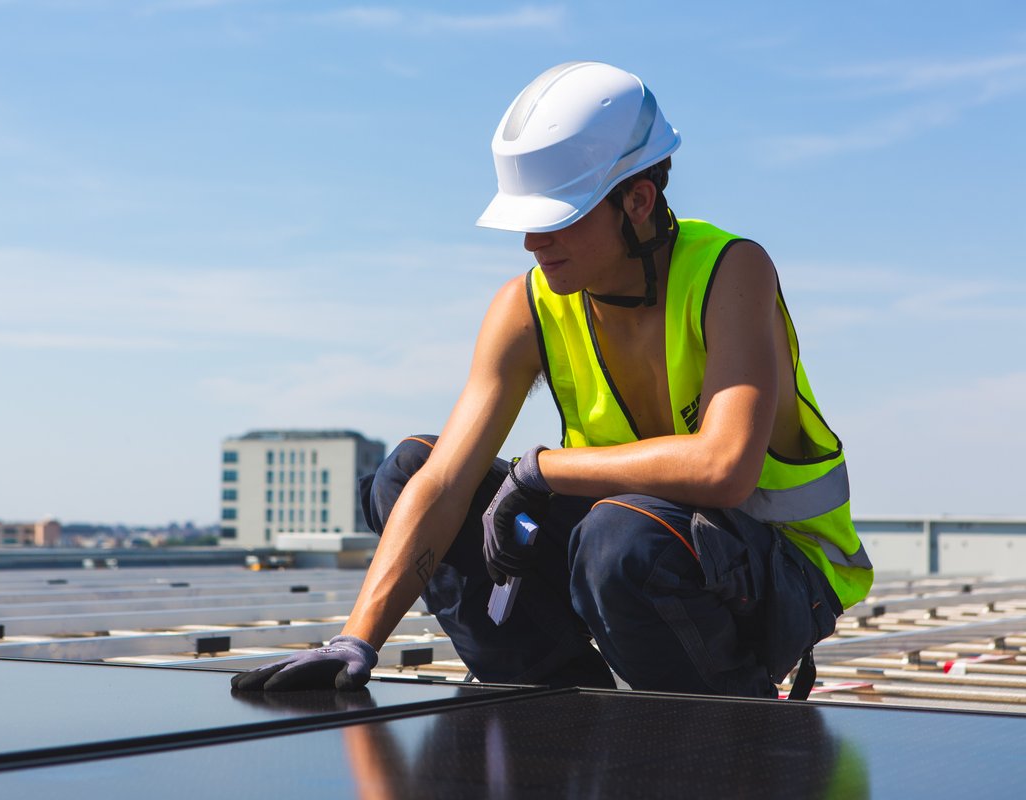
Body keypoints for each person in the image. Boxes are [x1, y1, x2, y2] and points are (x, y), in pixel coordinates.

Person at [232, 61, 874, 698]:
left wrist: (542, 471)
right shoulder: (528, 305)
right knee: (406, 473)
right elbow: (444, 481)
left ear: (638, 201)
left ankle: (724, 721)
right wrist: (357, 640)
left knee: (619, 536)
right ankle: (553, 710)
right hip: (638, 546)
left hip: (778, 573)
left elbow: (724, 468)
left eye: (557, 216)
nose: (532, 242)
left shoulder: (731, 273)